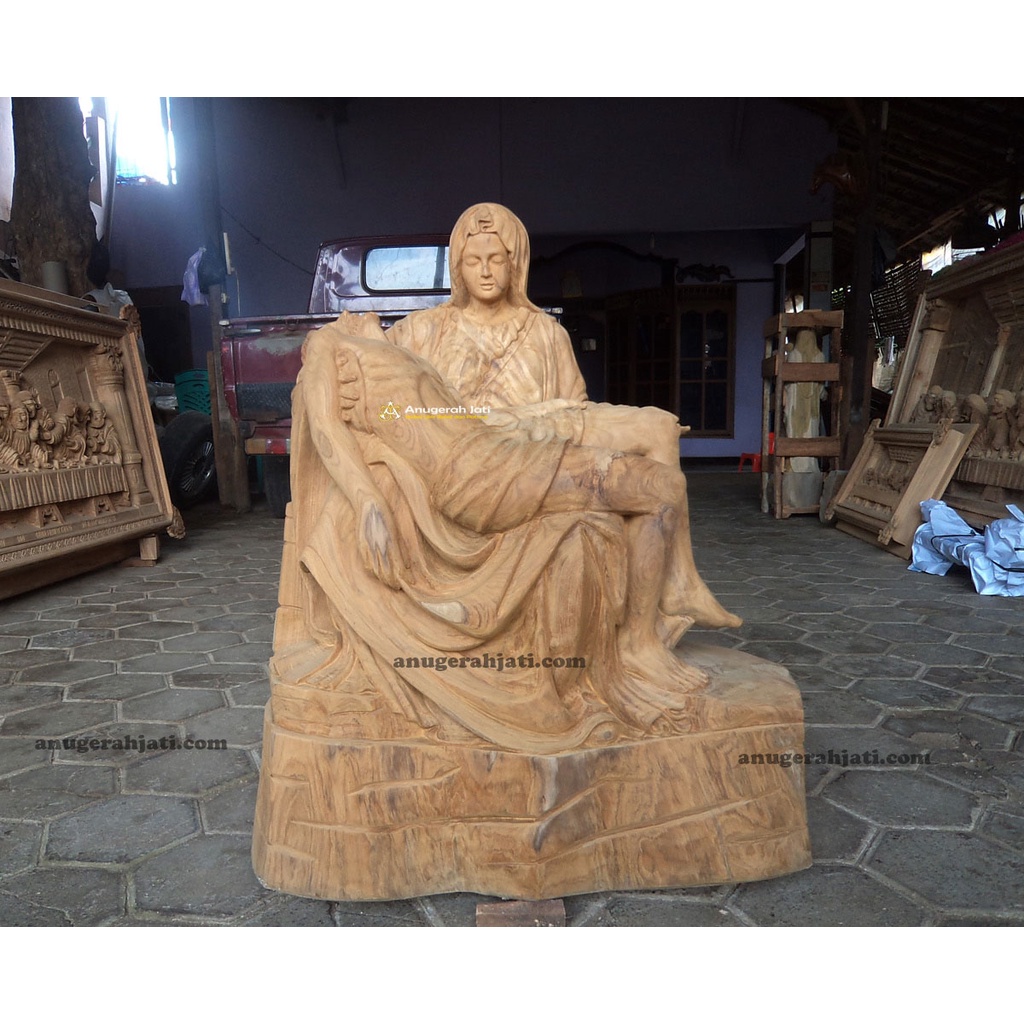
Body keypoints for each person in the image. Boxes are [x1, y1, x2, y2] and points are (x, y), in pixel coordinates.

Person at [388, 202, 740, 637]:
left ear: (515, 265)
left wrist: (544, 420)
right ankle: (670, 593)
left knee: (661, 426)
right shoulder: (421, 331)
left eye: (496, 259)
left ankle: (680, 582)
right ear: (457, 268)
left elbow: (576, 407)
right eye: (473, 261)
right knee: (646, 474)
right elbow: (382, 398)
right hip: (483, 459)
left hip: (548, 436)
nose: (485, 271)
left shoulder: (546, 332)